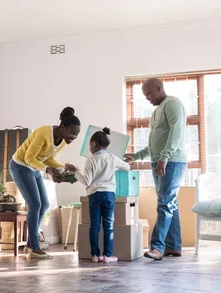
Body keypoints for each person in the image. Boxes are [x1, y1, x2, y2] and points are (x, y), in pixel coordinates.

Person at [124, 78, 187, 261]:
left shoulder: (173, 104)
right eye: (145, 95)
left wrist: (164, 157)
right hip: (160, 161)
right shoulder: (156, 111)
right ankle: (173, 246)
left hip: (172, 161)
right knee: (170, 204)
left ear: (159, 88)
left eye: (149, 94)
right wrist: (136, 156)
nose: (147, 98)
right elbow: (154, 143)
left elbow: (176, 134)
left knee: (165, 203)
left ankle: (157, 247)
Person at [9, 107, 81, 259]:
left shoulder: (62, 142)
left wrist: (61, 167)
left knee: (45, 204)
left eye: (77, 134)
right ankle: (34, 247)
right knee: (35, 205)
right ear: (63, 127)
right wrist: (48, 170)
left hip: (34, 167)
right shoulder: (43, 133)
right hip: (20, 166)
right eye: (72, 132)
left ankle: (30, 244)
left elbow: (46, 158)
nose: (74, 137)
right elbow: (28, 158)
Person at [66, 128, 132, 263]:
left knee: (94, 226)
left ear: (95, 143)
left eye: (90, 144)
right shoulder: (112, 158)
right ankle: (107, 256)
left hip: (94, 195)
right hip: (109, 195)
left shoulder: (90, 160)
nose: (89, 147)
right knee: (108, 225)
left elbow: (86, 182)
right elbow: (127, 167)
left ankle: (95, 255)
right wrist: (124, 163)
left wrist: (75, 172)